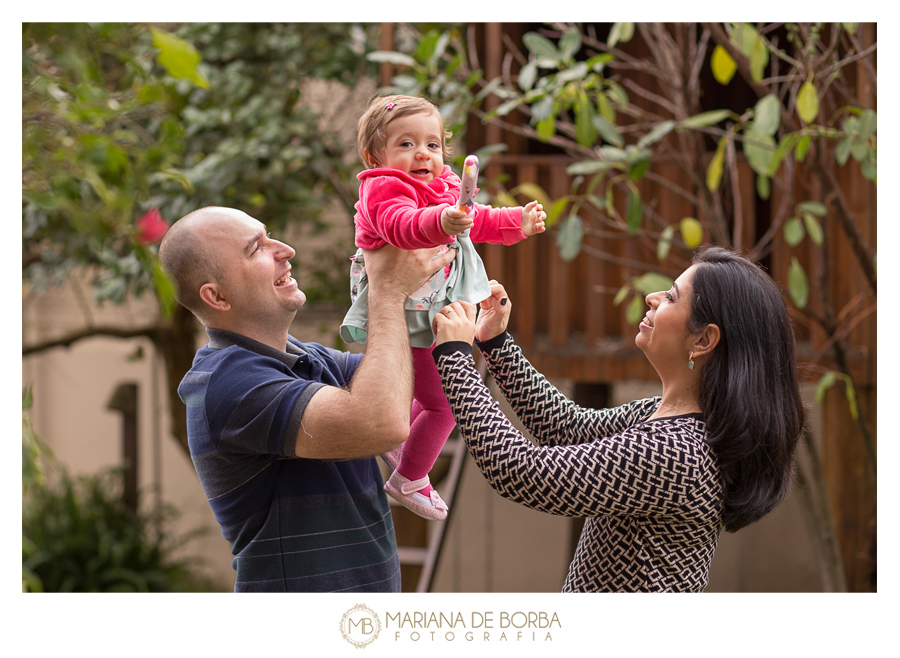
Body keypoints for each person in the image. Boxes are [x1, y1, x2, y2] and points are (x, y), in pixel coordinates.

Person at [430, 246, 805, 592]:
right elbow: (567, 428)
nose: (652, 298)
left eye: (671, 297)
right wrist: (495, 343)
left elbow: (520, 471)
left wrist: (454, 356)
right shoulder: (667, 418)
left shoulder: (677, 450)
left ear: (703, 340)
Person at [158, 206, 456, 592]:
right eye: (256, 249)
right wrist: (387, 289)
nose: (285, 249)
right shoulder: (226, 385)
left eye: (270, 235)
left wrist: (449, 298)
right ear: (216, 296)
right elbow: (382, 423)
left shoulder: (310, 359)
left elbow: (418, 383)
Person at [340, 94, 547, 520]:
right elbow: (399, 224)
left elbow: (478, 219)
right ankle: (410, 477)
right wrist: (439, 222)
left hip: (428, 305)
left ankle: (402, 442)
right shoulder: (383, 187)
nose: (423, 154)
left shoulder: (445, 185)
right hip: (406, 306)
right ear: (374, 154)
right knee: (446, 404)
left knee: (428, 393)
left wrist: (516, 223)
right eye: (406, 144)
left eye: (432, 145)